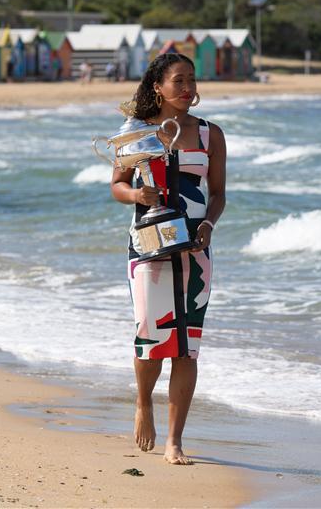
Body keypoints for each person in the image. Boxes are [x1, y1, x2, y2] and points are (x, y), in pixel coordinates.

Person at [109, 53, 227, 466]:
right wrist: (137, 196)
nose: (188, 87)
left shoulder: (211, 135)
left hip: (196, 250)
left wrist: (208, 226)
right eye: (179, 80)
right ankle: (144, 403)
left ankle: (175, 441)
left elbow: (218, 195)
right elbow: (118, 185)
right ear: (158, 86)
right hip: (148, 247)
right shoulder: (136, 133)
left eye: (192, 79)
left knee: (186, 346)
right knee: (150, 335)